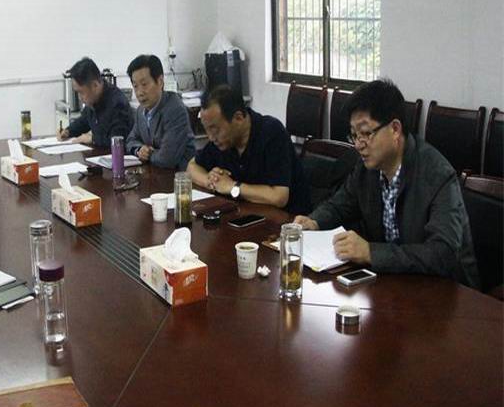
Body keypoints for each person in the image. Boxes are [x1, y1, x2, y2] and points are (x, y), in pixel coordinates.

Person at [293, 78, 479, 288]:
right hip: (395, 283)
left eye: (366, 133)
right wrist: (314, 221)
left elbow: (442, 254)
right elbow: (340, 204)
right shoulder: (367, 168)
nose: (358, 145)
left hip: (449, 292)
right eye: (354, 135)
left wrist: (371, 252)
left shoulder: (438, 176)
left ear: (395, 129)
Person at [187, 85, 311, 214]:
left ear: (238, 118)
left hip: (287, 219)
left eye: (215, 129)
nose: (211, 137)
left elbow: (279, 197)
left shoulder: (271, 133)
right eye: (206, 129)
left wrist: (232, 187)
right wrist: (212, 181)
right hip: (244, 213)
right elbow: (192, 167)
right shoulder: (222, 141)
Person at [125, 54, 195, 170]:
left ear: (160, 81)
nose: (139, 92)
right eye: (135, 86)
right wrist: (139, 150)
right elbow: (130, 141)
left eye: (144, 84)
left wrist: (148, 154)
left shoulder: (175, 109)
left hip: (180, 175)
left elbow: (167, 159)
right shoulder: (140, 111)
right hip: (155, 172)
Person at [58, 57, 132, 146]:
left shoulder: (117, 103)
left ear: (95, 85)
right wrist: (68, 131)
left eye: (81, 92)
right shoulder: (94, 101)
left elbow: (118, 140)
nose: (80, 98)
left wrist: (93, 139)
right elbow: (84, 121)